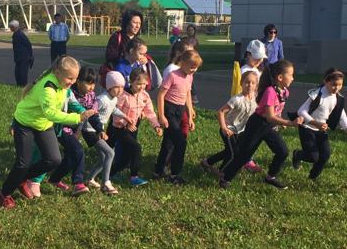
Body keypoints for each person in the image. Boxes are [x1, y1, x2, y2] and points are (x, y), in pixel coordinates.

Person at [0, 56, 95, 208]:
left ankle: (21, 179)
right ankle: (4, 193)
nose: (73, 82)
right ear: (57, 73)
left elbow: (58, 109)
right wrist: (78, 118)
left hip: (43, 124)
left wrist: (82, 111)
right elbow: (51, 113)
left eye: (75, 78)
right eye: (70, 78)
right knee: (23, 164)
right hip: (25, 124)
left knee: (53, 159)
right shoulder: (48, 87)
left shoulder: (63, 85)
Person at [219, 59, 302, 190]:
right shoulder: (270, 91)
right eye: (291, 75)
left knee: (283, 151)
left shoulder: (284, 91)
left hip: (268, 126)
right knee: (244, 155)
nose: (293, 78)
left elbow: (276, 111)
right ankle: (225, 177)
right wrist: (290, 123)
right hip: (257, 125)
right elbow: (270, 116)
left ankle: (270, 177)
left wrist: (281, 121)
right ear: (280, 77)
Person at [292, 68, 347, 181]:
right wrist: (315, 123)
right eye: (334, 84)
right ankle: (297, 155)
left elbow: (341, 113)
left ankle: (312, 177)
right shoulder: (317, 94)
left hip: (321, 130)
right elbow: (301, 111)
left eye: (340, 85)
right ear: (325, 81)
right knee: (313, 156)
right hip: (307, 128)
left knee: (325, 155)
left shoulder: (338, 98)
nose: (337, 88)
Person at [47, 65, 100, 196]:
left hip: (75, 129)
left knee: (71, 157)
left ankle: (54, 179)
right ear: (79, 81)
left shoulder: (91, 95)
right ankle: (78, 183)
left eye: (93, 84)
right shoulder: (69, 92)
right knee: (78, 151)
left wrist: (99, 129)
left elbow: (91, 113)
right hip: (62, 128)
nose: (91, 87)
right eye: (88, 83)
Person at [154, 49, 201, 184]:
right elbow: (161, 95)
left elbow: (187, 95)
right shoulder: (173, 75)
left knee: (168, 142)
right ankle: (175, 174)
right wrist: (161, 116)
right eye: (191, 67)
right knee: (181, 142)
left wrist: (190, 115)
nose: (193, 70)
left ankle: (158, 170)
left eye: (196, 68)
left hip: (180, 110)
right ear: (182, 63)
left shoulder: (189, 76)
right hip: (169, 110)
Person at [108, 68, 162, 187]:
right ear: (131, 82)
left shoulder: (144, 95)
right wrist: (126, 123)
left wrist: (156, 125)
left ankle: (110, 173)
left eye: (144, 84)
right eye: (138, 84)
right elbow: (115, 113)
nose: (141, 87)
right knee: (136, 148)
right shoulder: (123, 95)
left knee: (127, 156)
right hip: (120, 128)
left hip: (133, 127)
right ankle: (134, 177)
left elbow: (150, 112)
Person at [201, 69, 258, 173]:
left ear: (256, 85)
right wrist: (224, 128)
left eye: (253, 83)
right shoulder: (237, 99)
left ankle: (207, 162)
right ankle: (222, 172)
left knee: (229, 151)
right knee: (233, 154)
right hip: (229, 129)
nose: (250, 85)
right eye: (247, 82)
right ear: (241, 83)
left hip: (241, 131)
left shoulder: (256, 98)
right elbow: (221, 112)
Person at [86, 70, 128, 195]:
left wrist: (125, 116)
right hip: (90, 130)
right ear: (109, 87)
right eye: (116, 87)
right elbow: (90, 114)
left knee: (104, 157)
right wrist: (98, 130)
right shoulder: (102, 99)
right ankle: (106, 183)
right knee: (110, 152)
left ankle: (89, 179)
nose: (120, 90)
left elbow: (113, 109)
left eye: (122, 87)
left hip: (98, 130)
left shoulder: (113, 99)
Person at [9, 20, 34, 87]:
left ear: (14, 27)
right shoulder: (17, 34)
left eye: (10, 27)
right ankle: (19, 85)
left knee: (22, 73)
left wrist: (30, 55)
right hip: (19, 57)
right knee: (18, 72)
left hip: (24, 57)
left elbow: (28, 44)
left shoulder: (20, 34)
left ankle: (23, 86)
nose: (10, 28)